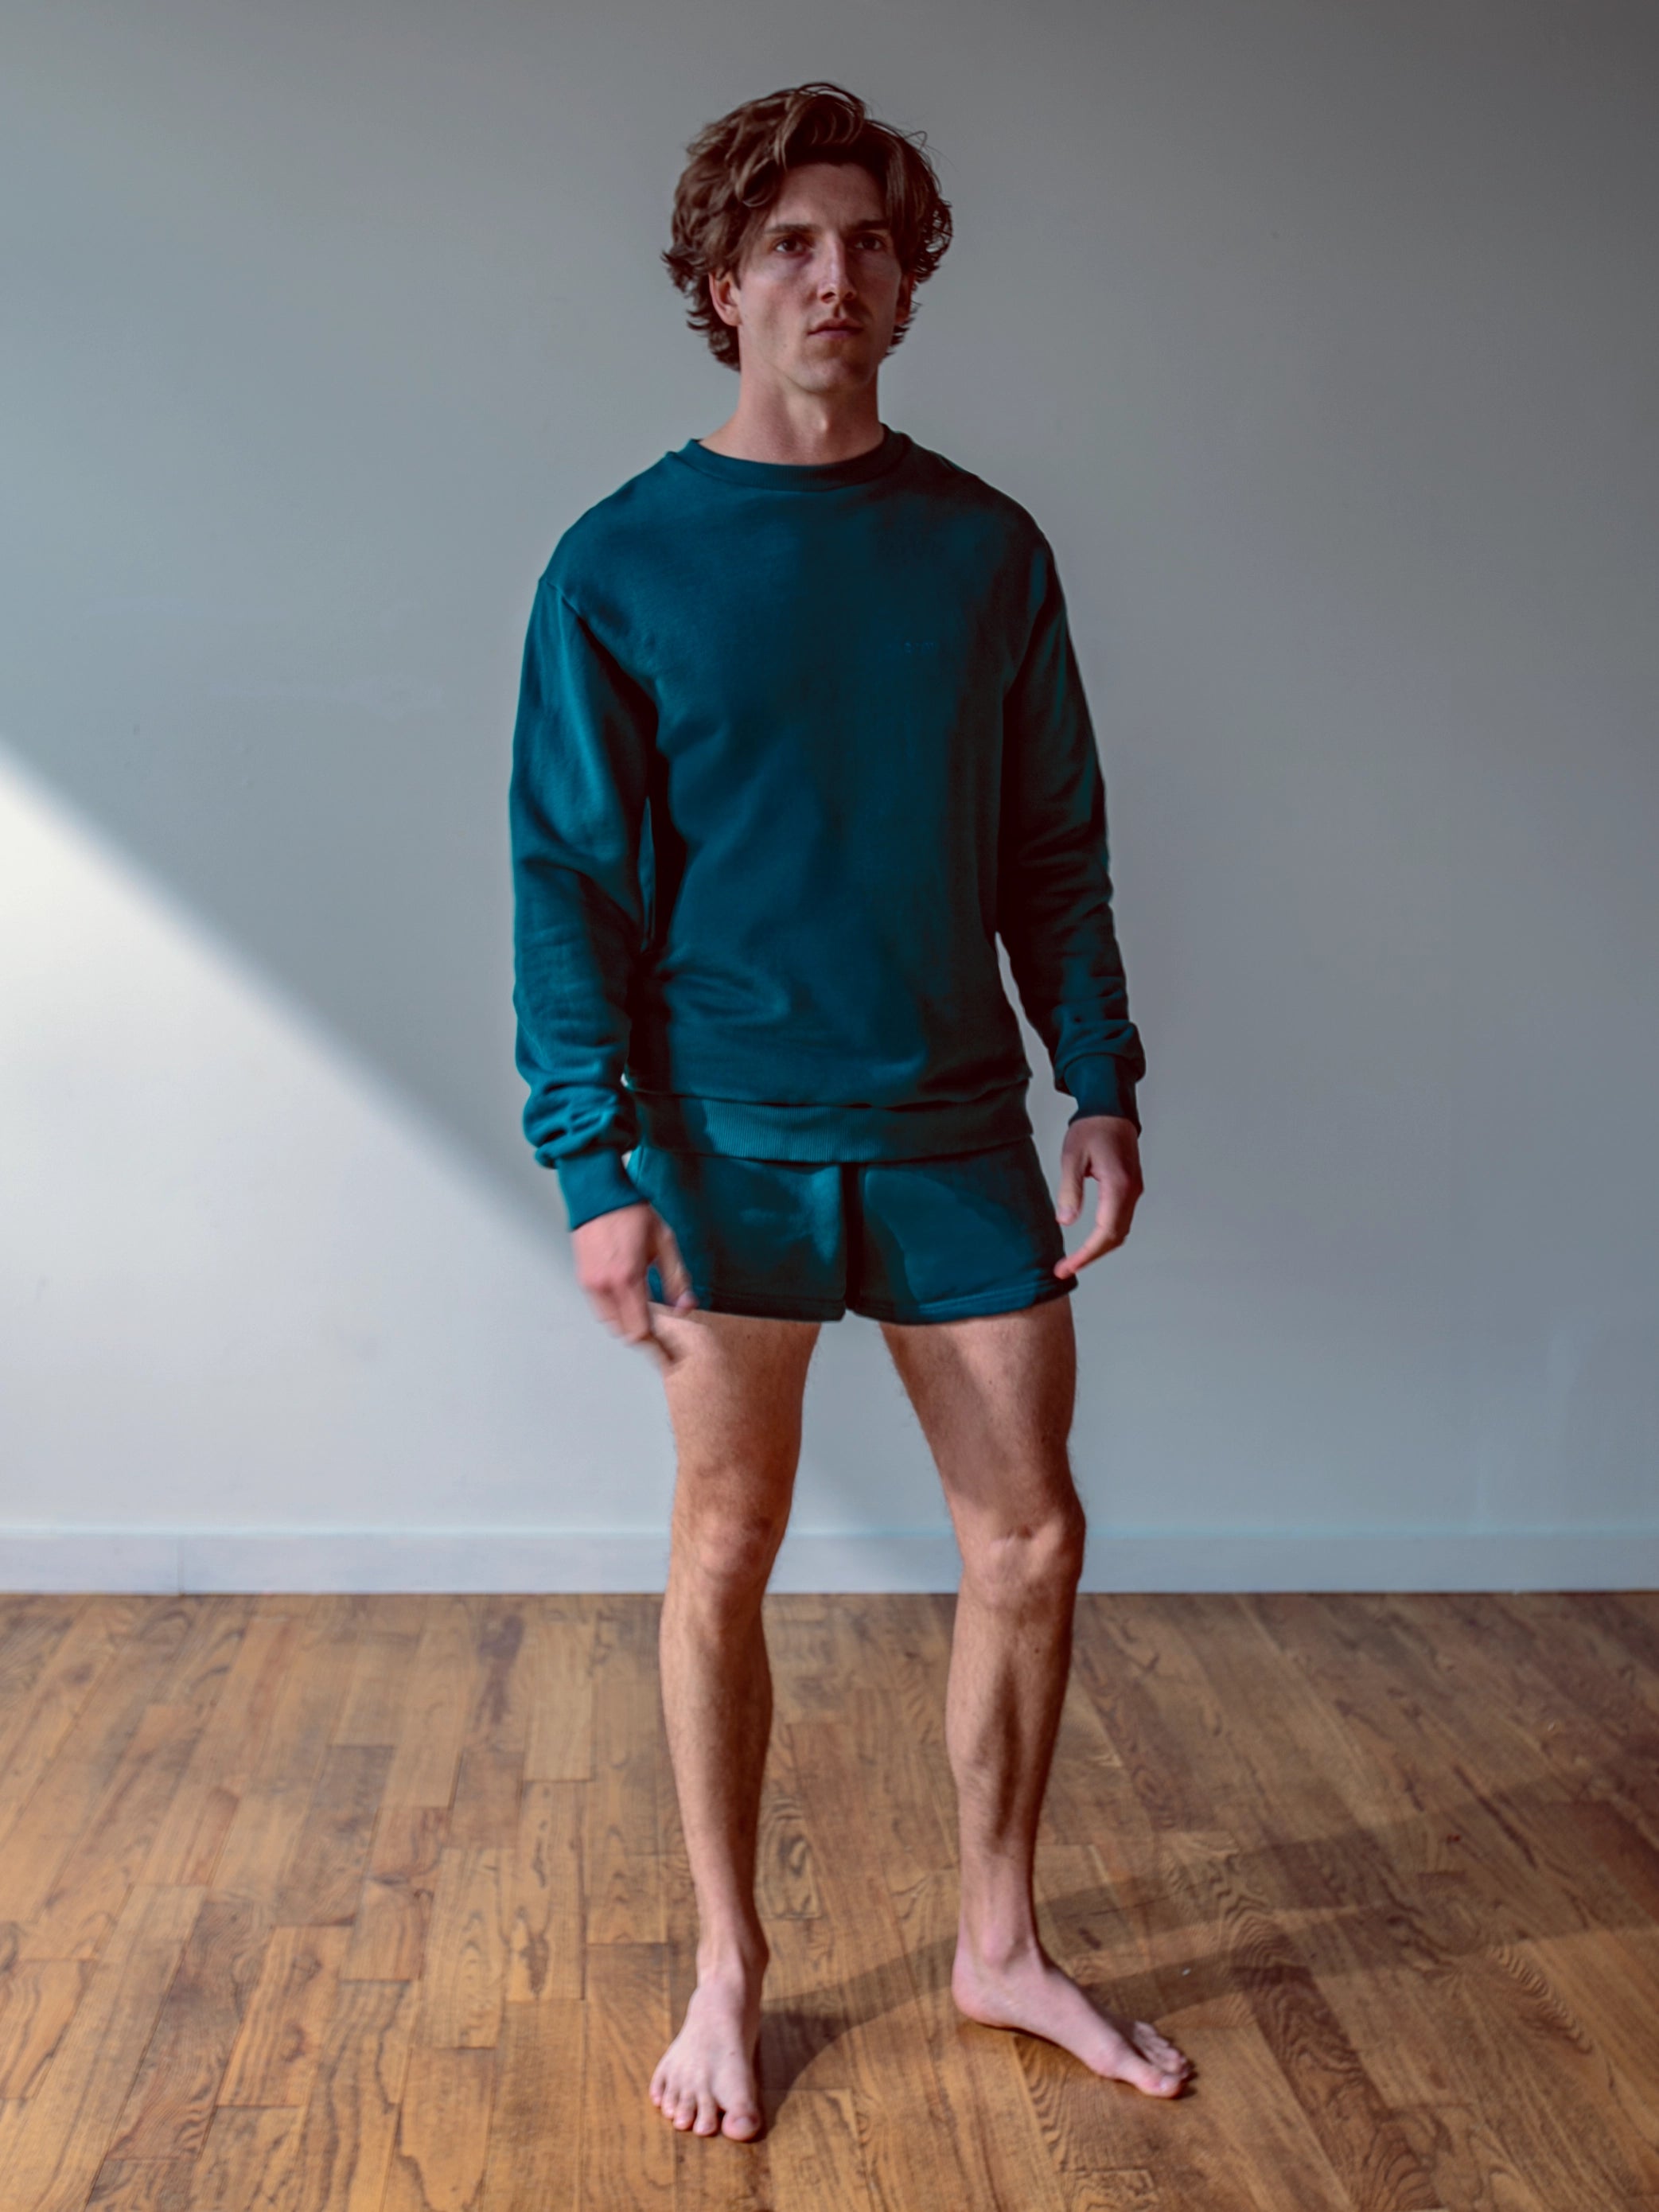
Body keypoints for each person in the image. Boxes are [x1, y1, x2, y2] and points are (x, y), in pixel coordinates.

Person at [508, 80, 1193, 2141]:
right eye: (794, 243)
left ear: (910, 276)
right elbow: (570, 876)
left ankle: (999, 1936)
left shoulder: (985, 549)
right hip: (718, 1136)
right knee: (725, 1538)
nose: (837, 274)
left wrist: (1104, 1079)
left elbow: (1053, 844)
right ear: (722, 284)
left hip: (955, 1123)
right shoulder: (621, 561)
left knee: (1034, 1534)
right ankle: (730, 1968)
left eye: (872, 241)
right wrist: (592, 1161)